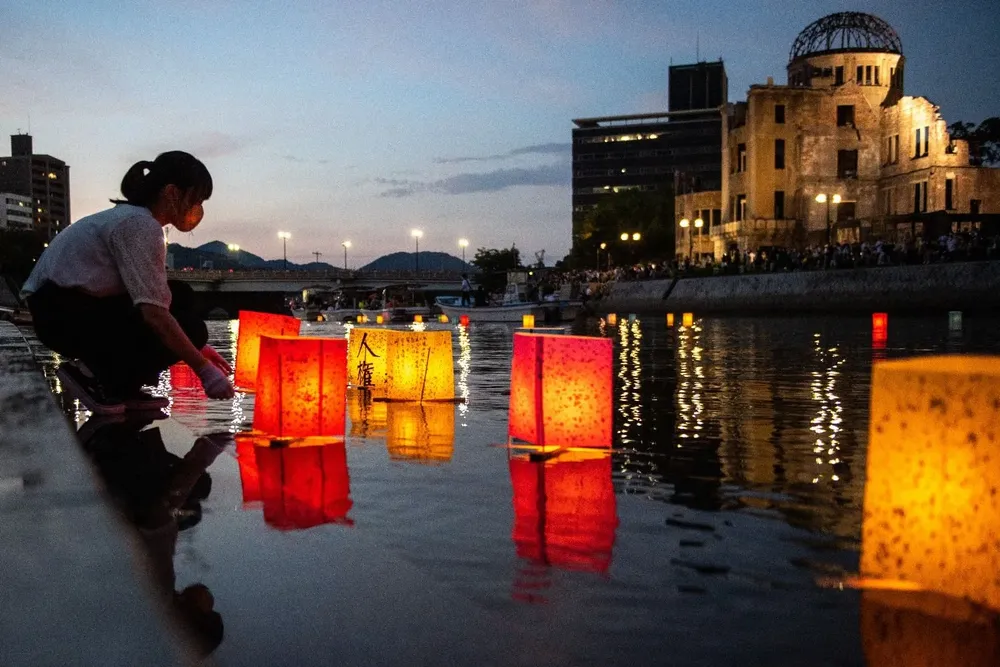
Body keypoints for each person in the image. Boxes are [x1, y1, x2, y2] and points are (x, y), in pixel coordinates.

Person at [21, 151, 235, 415]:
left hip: (60, 311)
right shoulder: (139, 225)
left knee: (180, 295)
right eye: (197, 199)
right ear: (172, 193)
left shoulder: (130, 218)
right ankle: (91, 375)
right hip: (64, 316)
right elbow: (154, 314)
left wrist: (197, 349)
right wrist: (203, 367)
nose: (198, 208)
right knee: (191, 327)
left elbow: (154, 295)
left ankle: (120, 385)